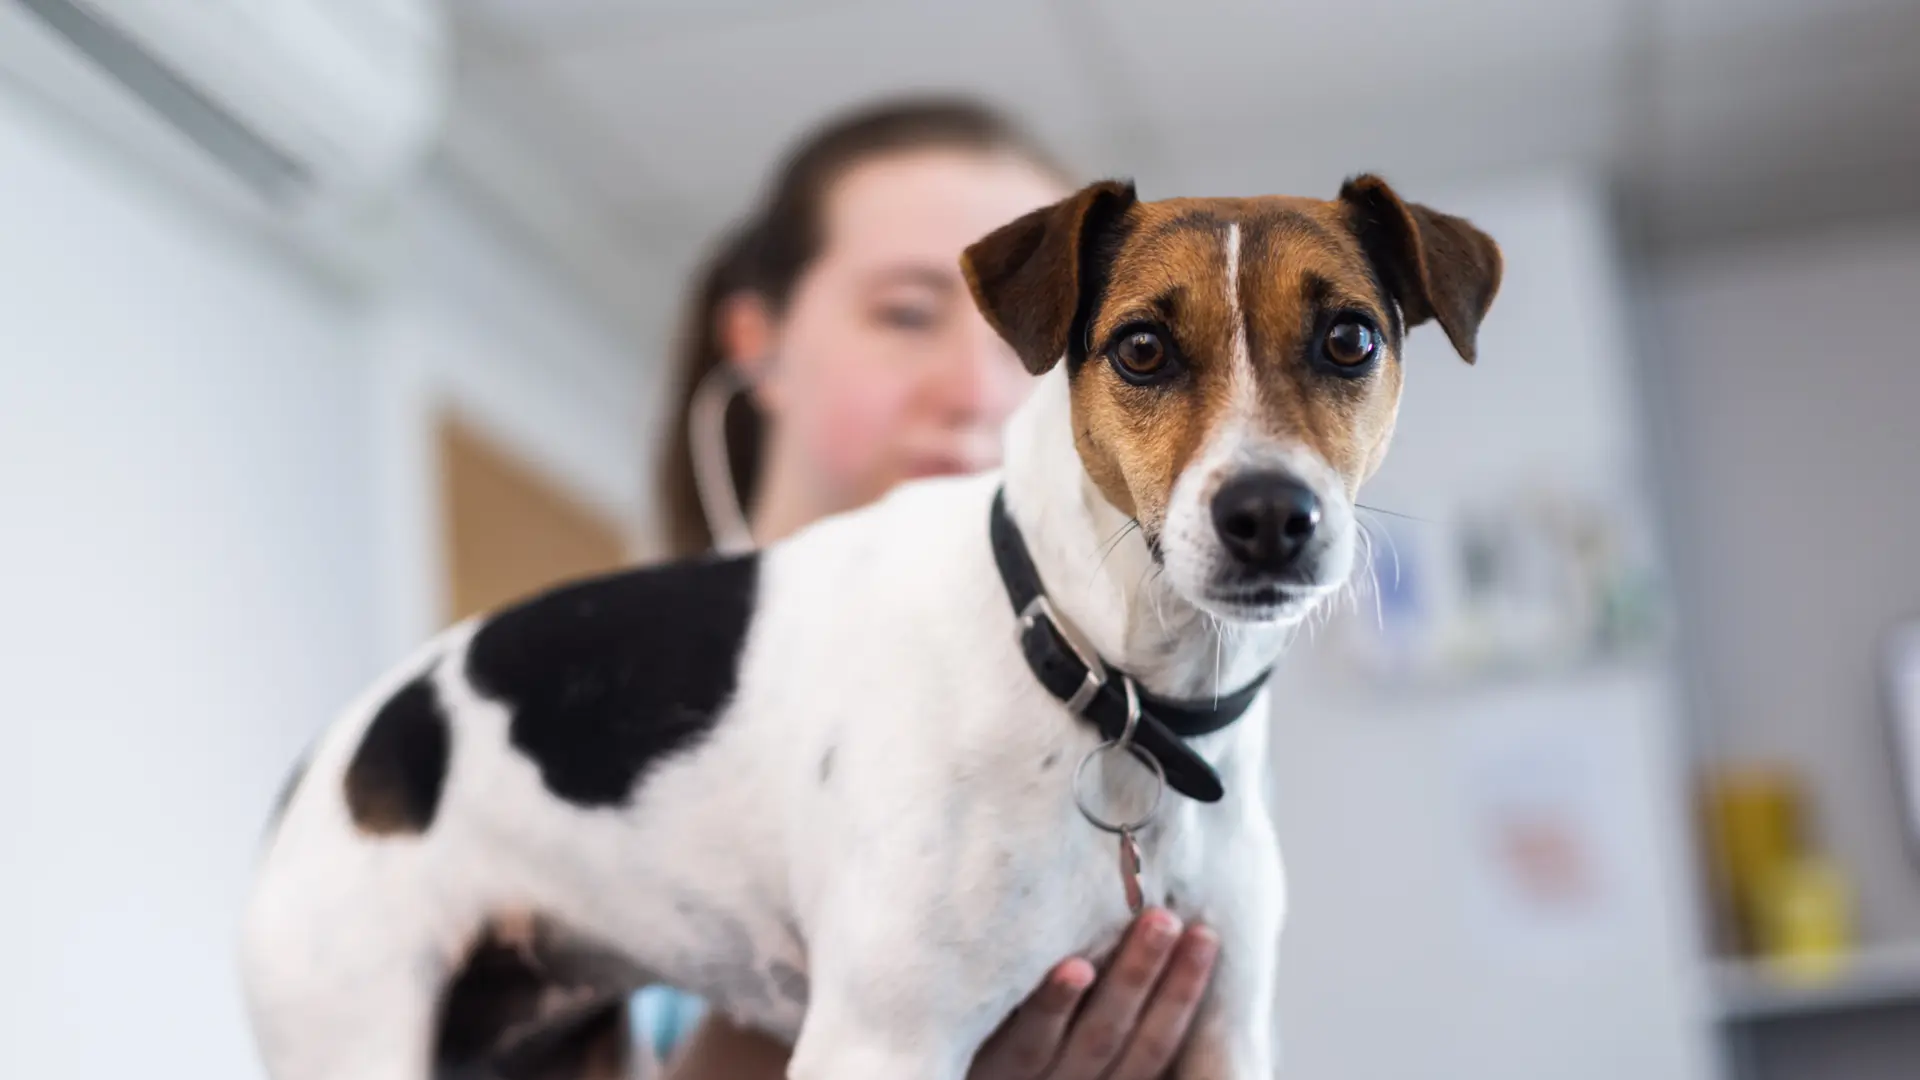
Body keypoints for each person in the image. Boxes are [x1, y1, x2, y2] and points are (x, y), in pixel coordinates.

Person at [650, 98, 1221, 1080]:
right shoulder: (565, 713)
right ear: (758, 341)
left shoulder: (1135, 720)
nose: (980, 389)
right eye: (907, 314)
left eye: (1030, 330)